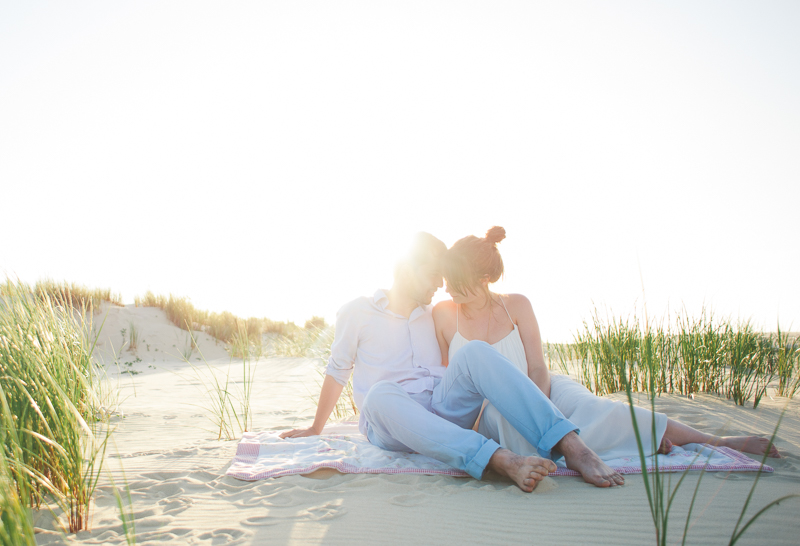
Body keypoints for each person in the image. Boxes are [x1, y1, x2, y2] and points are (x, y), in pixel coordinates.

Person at [281, 232, 626, 492]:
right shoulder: (357, 311)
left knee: (475, 352)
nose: (442, 285)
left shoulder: (435, 314)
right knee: (379, 395)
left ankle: (573, 447)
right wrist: (315, 427)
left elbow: (475, 288)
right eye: (434, 276)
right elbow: (337, 369)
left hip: (441, 406)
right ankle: (500, 460)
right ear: (408, 269)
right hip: (390, 419)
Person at [435, 226, 780, 461]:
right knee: (509, 422)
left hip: (543, 389)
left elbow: (538, 366)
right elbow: (449, 379)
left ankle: (715, 441)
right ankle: (636, 443)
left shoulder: (518, 305)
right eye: (447, 279)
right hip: (489, 410)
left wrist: (539, 408)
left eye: (456, 280)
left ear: (482, 278)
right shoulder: (443, 315)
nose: (447, 286)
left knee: (597, 409)